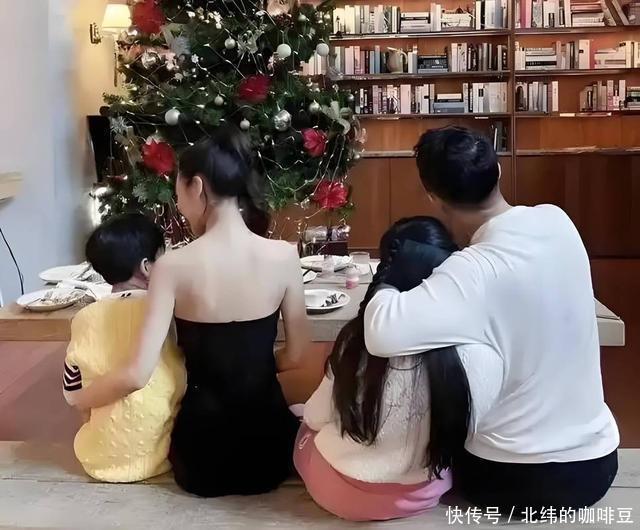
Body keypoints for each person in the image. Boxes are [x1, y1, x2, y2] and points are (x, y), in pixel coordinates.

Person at [364, 126, 619, 513]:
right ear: (498, 171)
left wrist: (392, 274)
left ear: (432, 196)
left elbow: (379, 331)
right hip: (597, 465)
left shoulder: (470, 271)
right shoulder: (558, 221)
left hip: (512, 479)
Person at [69, 125, 310, 497]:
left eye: (178, 190)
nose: (179, 204)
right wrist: (251, 365)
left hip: (201, 457)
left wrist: (78, 399)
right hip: (270, 451)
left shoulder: (172, 267)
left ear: (197, 187)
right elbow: (297, 355)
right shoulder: (284, 256)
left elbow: (136, 375)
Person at [295, 217, 503, 521]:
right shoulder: (480, 349)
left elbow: (316, 416)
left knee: (304, 422)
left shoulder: (356, 339)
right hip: (423, 493)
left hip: (339, 490)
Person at [63, 213, 186, 482]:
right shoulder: (163, 309)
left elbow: (72, 386)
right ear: (147, 267)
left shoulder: (84, 317)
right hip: (162, 454)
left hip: (97, 458)